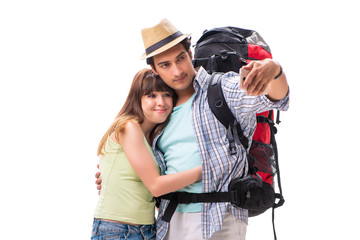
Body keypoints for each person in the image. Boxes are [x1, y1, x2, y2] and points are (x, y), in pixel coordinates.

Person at [96, 18, 290, 240]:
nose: (177, 71)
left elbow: (277, 98)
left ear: (190, 52)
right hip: (169, 221)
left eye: (180, 58)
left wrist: (275, 72)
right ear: (154, 69)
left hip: (219, 217)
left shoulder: (222, 88)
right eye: (165, 65)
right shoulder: (160, 113)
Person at [91, 68, 202, 240]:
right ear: (138, 98)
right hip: (118, 230)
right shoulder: (129, 127)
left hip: (147, 229)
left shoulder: (153, 139)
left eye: (166, 95)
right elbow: (156, 186)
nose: (161, 102)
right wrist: (204, 171)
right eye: (151, 95)